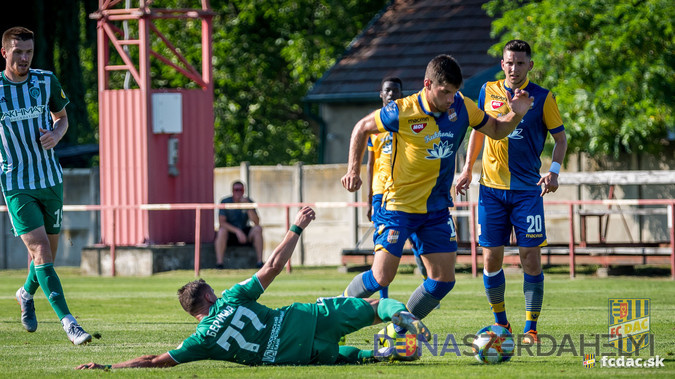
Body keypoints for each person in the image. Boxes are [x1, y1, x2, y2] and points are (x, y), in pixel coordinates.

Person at [75, 206, 432, 370]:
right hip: (307, 320)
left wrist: (109, 367)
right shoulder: (231, 297)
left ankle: (381, 355)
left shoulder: (201, 341)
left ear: (194, 312)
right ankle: (402, 317)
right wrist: (296, 227)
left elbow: (155, 362)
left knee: (343, 357)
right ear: (211, 296)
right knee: (371, 307)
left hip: (296, 357)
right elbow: (274, 266)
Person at [340, 54, 534, 339]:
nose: (449, 99)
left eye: (454, 92)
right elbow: (361, 128)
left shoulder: (462, 107)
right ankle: (335, 313)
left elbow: (496, 130)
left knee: (443, 280)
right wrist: (353, 170)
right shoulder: (402, 110)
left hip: (435, 210)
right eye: (444, 92)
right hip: (397, 206)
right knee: (381, 277)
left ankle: (396, 331)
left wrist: (515, 114)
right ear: (428, 84)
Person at [456, 40, 568, 344]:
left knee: (530, 258)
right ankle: (501, 324)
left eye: (520, 63)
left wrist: (554, 173)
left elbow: (560, 140)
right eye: (509, 62)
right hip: (491, 190)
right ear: (502, 63)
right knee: (491, 258)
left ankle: (531, 327)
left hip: (526, 192)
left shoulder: (543, 98)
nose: (514, 68)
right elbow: (478, 133)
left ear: (530, 65)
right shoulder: (487, 91)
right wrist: (468, 169)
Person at [1, 27, 91, 345]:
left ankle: (26, 293)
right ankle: (70, 323)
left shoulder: (44, 80)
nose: (24, 58)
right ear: (4, 53)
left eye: (28, 51)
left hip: (50, 179)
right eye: (17, 52)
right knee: (39, 248)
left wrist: (57, 134)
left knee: (48, 254)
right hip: (15, 183)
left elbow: (62, 118)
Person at [215, 181, 263, 269]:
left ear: (243, 190)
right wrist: (237, 231)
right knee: (221, 231)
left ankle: (260, 262)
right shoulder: (225, 201)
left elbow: (256, 222)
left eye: (240, 190)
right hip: (231, 232)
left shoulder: (249, 201)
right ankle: (219, 264)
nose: (238, 192)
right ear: (232, 191)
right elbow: (222, 222)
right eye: (236, 190)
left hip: (245, 231)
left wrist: (248, 207)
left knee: (258, 229)